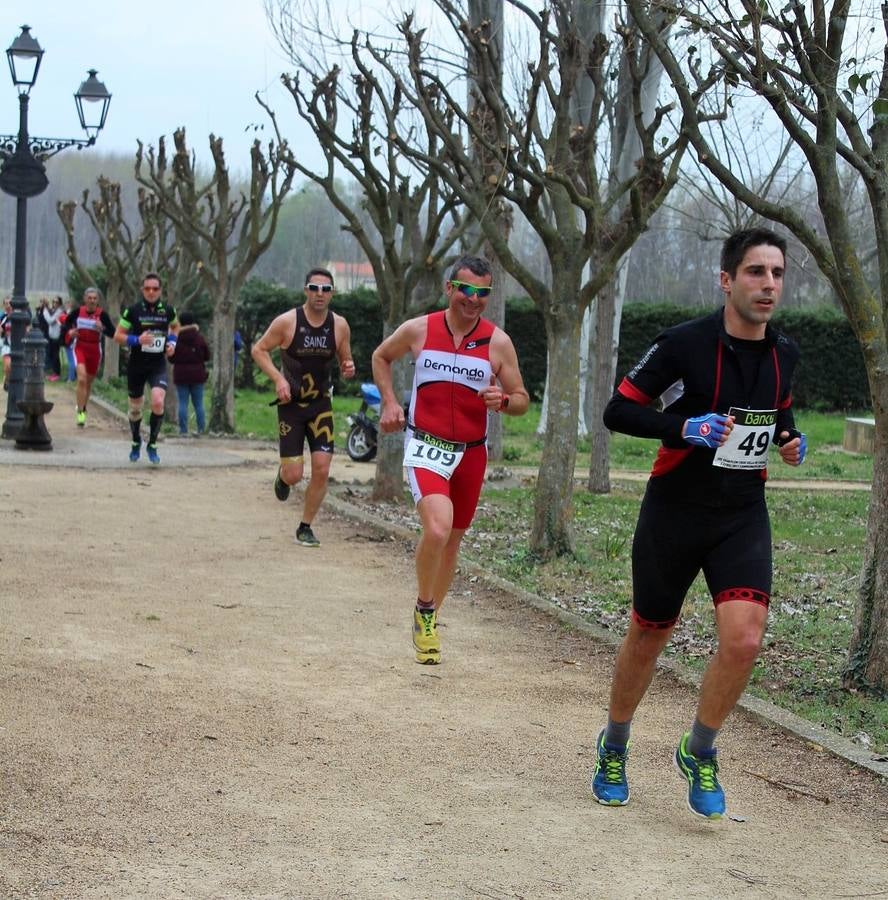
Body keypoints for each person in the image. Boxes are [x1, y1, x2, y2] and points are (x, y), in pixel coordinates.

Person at [590, 227, 807, 820]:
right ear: (726, 280)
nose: (768, 285)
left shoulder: (785, 352)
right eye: (756, 272)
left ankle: (700, 749)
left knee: (744, 638)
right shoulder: (683, 344)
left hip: (741, 513)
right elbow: (618, 408)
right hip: (675, 510)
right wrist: (682, 428)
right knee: (649, 634)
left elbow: (777, 413)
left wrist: (788, 441)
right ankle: (614, 744)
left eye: (777, 274)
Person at [371, 255, 529, 665]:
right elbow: (380, 357)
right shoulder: (419, 329)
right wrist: (389, 401)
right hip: (426, 446)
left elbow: (522, 400)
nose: (473, 300)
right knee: (438, 530)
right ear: (449, 288)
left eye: (483, 293)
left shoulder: (498, 342)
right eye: (466, 290)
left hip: (472, 453)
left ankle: (429, 619)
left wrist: (505, 401)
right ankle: (425, 609)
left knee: (454, 539)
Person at [251, 266, 355, 547]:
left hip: (321, 405)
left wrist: (348, 367)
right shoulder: (287, 322)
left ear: (332, 293)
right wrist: (278, 379)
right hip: (291, 406)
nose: (319, 294)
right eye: (314, 288)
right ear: (305, 290)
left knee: (322, 468)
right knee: (295, 474)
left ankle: (305, 526)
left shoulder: (340, 325)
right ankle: (283, 477)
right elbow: (258, 349)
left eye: (325, 289)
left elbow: (346, 358)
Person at [114, 273, 178, 464]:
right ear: (142, 290)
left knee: (158, 401)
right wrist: (136, 340)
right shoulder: (132, 311)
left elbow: (175, 328)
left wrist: (173, 343)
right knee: (135, 408)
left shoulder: (168, 310)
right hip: (136, 365)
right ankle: (135, 440)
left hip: (157, 364)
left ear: (160, 291)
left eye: (155, 289)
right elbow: (118, 335)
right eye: (147, 288)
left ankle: (152, 443)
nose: (151, 292)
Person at [60, 287, 116, 427]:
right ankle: (80, 413)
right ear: (85, 299)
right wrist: (71, 331)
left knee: (88, 383)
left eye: (94, 298)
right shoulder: (78, 312)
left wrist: (102, 328)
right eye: (89, 298)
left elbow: (113, 333)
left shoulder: (102, 315)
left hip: (95, 349)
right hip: (80, 347)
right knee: (82, 379)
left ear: (98, 300)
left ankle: (83, 407)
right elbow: (66, 324)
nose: (92, 301)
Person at [170, 310, 210, 435]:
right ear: (193, 322)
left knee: (182, 402)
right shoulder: (199, 338)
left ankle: (183, 430)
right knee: (199, 403)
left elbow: (171, 357)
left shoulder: (176, 339)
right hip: (198, 374)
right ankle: (201, 429)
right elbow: (207, 356)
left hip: (181, 374)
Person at [1, 296, 11, 391]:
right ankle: (7, 381)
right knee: (7, 366)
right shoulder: (3, 317)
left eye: (10, 303)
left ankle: (9, 380)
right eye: (6, 303)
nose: (8, 305)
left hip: (17, 346)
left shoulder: (18, 316)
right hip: (6, 345)